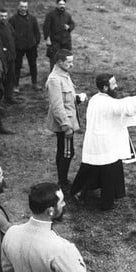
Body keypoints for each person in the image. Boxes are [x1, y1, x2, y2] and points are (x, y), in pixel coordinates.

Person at [70, 73, 136, 211]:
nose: (117, 86)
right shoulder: (109, 103)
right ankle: (106, 203)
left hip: (95, 143)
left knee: (92, 169)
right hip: (107, 145)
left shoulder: (95, 99)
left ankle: (81, 191)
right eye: (113, 84)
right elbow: (128, 107)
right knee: (108, 172)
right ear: (105, 87)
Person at [1, 182, 88, 272]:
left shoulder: (11, 234)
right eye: (61, 202)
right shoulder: (61, 249)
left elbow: (8, 270)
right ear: (50, 211)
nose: (64, 204)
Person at [45, 49, 85, 187]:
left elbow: (66, 98)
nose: (71, 64)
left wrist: (77, 98)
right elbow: (57, 105)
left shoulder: (64, 74)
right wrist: (66, 126)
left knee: (64, 150)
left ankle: (62, 179)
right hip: (64, 122)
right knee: (67, 152)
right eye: (69, 62)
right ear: (60, 62)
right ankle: (63, 182)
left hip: (67, 118)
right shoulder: (55, 79)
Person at [9, 0, 41, 92]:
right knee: (17, 66)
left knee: (33, 65)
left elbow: (37, 32)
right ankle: (15, 85)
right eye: (22, 7)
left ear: (27, 8)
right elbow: (10, 34)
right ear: (18, 7)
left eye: (25, 7)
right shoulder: (12, 19)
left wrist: (36, 42)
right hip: (18, 47)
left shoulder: (32, 18)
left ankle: (34, 83)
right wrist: (14, 45)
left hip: (31, 46)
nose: (23, 9)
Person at [0, 10, 19, 104]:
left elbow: (14, 35)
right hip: (3, 58)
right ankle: (2, 100)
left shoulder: (8, 25)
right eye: (1, 16)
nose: (3, 18)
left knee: (11, 77)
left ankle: (9, 97)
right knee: (3, 78)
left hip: (11, 56)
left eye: (5, 16)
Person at [43, 0, 75, 69]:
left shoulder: (67, 15)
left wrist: (69, 27)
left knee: (65, 61)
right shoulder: (50, 15)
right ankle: (53, 77)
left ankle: (64, 76)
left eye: (63, 4)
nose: (62, 6)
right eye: (60, 4)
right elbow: (46, 27)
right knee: (54, 61)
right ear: (57, 5)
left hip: (65, 42)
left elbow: (72, 24)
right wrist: (47, 39)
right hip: (55, 42)